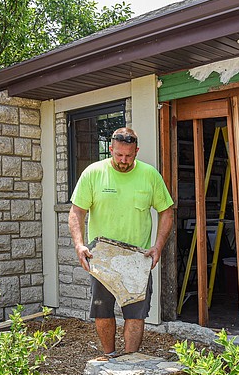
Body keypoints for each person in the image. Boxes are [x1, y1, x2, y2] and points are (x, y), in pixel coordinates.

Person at [68, 127, 174, 358]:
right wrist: (79, 244)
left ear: (136, 151)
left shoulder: (150, 175)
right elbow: (76, 212)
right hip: (102, 257)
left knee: (135, 314)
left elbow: (167, 212)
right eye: (118, 155)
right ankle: (110, 356)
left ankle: (130, 359)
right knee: (102, 311)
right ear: (111, 150)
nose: (123, 161)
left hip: (138, 258)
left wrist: (158, 246)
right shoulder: (94, 173)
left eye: (129, 156)